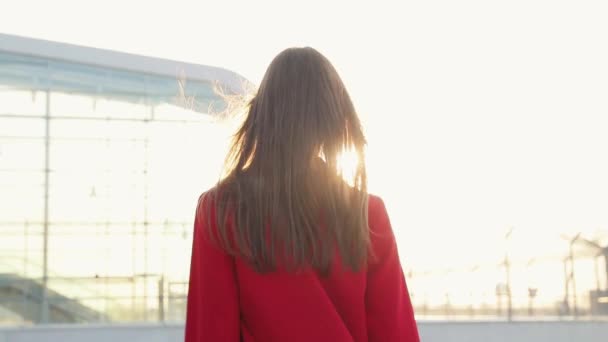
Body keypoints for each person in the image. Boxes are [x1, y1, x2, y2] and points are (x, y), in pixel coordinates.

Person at [184, 47, 419, 342]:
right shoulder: (367, 214)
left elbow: (211, 332)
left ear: (262, 115)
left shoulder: (220, 211)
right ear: (333, 117)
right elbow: (395, 334)